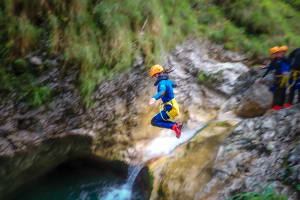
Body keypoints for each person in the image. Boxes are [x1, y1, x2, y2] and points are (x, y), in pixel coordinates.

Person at [149, 64, 182, 138]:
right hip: (174, 107)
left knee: (154, 121)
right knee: (156, 120)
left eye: (154, 76)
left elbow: (162, 91)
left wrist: (154, 98)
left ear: (157, 75)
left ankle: (175, 126)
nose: (154, 78)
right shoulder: (167, 81)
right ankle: (176, 125)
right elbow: (174, 85)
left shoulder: (162, 83)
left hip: (170, 109)